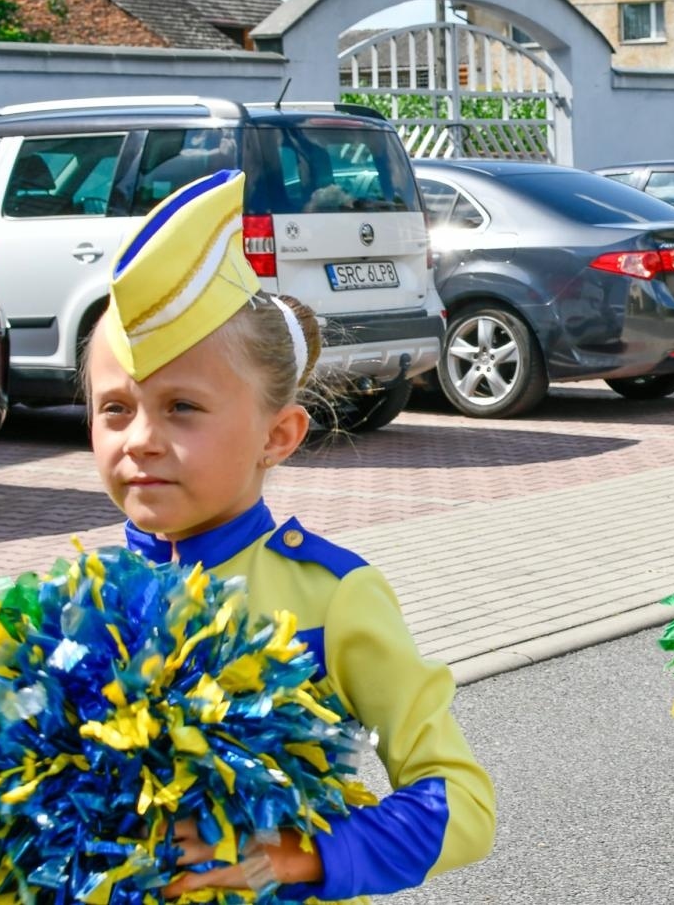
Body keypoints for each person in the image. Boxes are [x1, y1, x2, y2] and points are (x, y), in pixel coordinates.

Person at [80, 168, 495, 901]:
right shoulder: (78, 602)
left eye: (181, 407)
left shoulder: (332, 597)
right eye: (115, 408)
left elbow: (462, 803)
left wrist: (297, 854)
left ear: (279, 434)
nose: (139, 439)